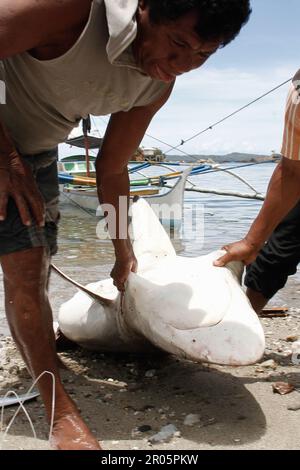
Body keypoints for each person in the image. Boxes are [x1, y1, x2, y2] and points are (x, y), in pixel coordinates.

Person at [0, 0, 251, 450]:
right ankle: (62, 416)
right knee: (25, 264)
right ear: (146, 9)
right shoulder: (71, 10)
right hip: (7, 149)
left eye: (202, 56)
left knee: (29, 267)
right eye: (177, 44)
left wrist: (123, 252)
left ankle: (55, 403)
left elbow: (112, 168)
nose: (181, 66)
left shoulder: (157, 84)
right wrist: (6, 157)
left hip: (34, 155)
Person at [215, 70, 300, 314]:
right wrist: (252, 242)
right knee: (277, 252)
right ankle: (243, 320)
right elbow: (293, 171)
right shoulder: (299, 93)